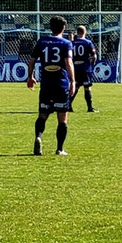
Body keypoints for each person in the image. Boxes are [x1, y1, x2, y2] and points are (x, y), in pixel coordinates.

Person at [27, 15, 76, 156]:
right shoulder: (66, 43)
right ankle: (60, 149)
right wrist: (73, 81)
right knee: (62, 117)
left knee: (43, 114)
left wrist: (30, 77)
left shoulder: (42, 41)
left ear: (50, 28)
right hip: (61, 84)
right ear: (63, 28)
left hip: (46, 84)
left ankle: (38, 137)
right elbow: (69, 63)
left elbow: (31, 61)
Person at [70, 25, 98, 113]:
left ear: (77, 32)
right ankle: (90, 108)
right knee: (87, 87)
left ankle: (67, 106)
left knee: (76, 87)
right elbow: (94, 56)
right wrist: (92, 63)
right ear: (85, 32)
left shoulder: (72, 43)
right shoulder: (88, 43)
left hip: (75, 68)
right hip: (85, 68)